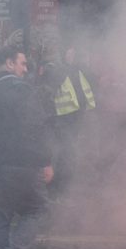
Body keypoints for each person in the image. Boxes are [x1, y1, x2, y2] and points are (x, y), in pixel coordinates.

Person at [0, 45, 54, 249]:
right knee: (38, 209)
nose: (25, 68)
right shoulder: (23, 91)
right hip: (25, 163)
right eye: (22, 63)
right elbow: (38, 126)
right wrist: (46, 160)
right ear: (9, 63)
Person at [45, 44, 97, 196]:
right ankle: (58, 189)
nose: (74, 54)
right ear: (64, 54)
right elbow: (47, 95)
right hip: (61, 121)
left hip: (75, 119)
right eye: (71, 52)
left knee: (68, 153)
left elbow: (89, 87)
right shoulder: (56, 70)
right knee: (67, 153)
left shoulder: (78, 70)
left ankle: (61, 188)